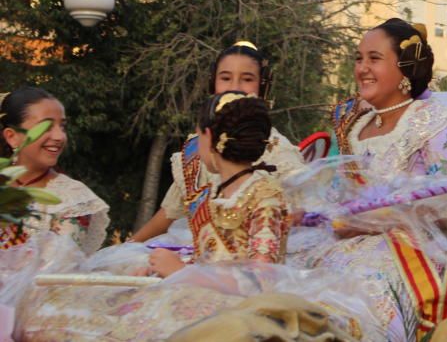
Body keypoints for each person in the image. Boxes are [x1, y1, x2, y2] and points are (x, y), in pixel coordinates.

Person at [15, 92, 298, 342]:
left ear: (209, 137)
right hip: (205, 297)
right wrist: (163, 269)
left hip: (231, 316)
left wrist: (180, 272)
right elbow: (217, 260)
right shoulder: (221, 191)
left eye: (198, 136)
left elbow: (262, 281)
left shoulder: (265, 196)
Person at [310, 19, 447, 340]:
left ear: (405, 68)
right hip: (349, 239)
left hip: (413, 246)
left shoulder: (431, 121)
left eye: (374, 58)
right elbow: (339, 190)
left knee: (357, 287)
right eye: (358, 58)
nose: (362, 69)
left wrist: (373, 219)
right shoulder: (356, 125)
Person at [132, 41, 303, 243]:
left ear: (263, 87)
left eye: (247, 79)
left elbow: (297, 218)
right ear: (213, 83)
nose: (234, 87)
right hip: (194, 251)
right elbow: (170, 212)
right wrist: (127, 247)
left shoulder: (278, 151)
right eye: (225, 78)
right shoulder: (198, 145)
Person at [0, 87, 108, 255]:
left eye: (62, 126)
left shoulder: (73, 199)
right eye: (46, 127)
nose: (59, 137)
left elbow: (57, 269)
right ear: (12, 137)